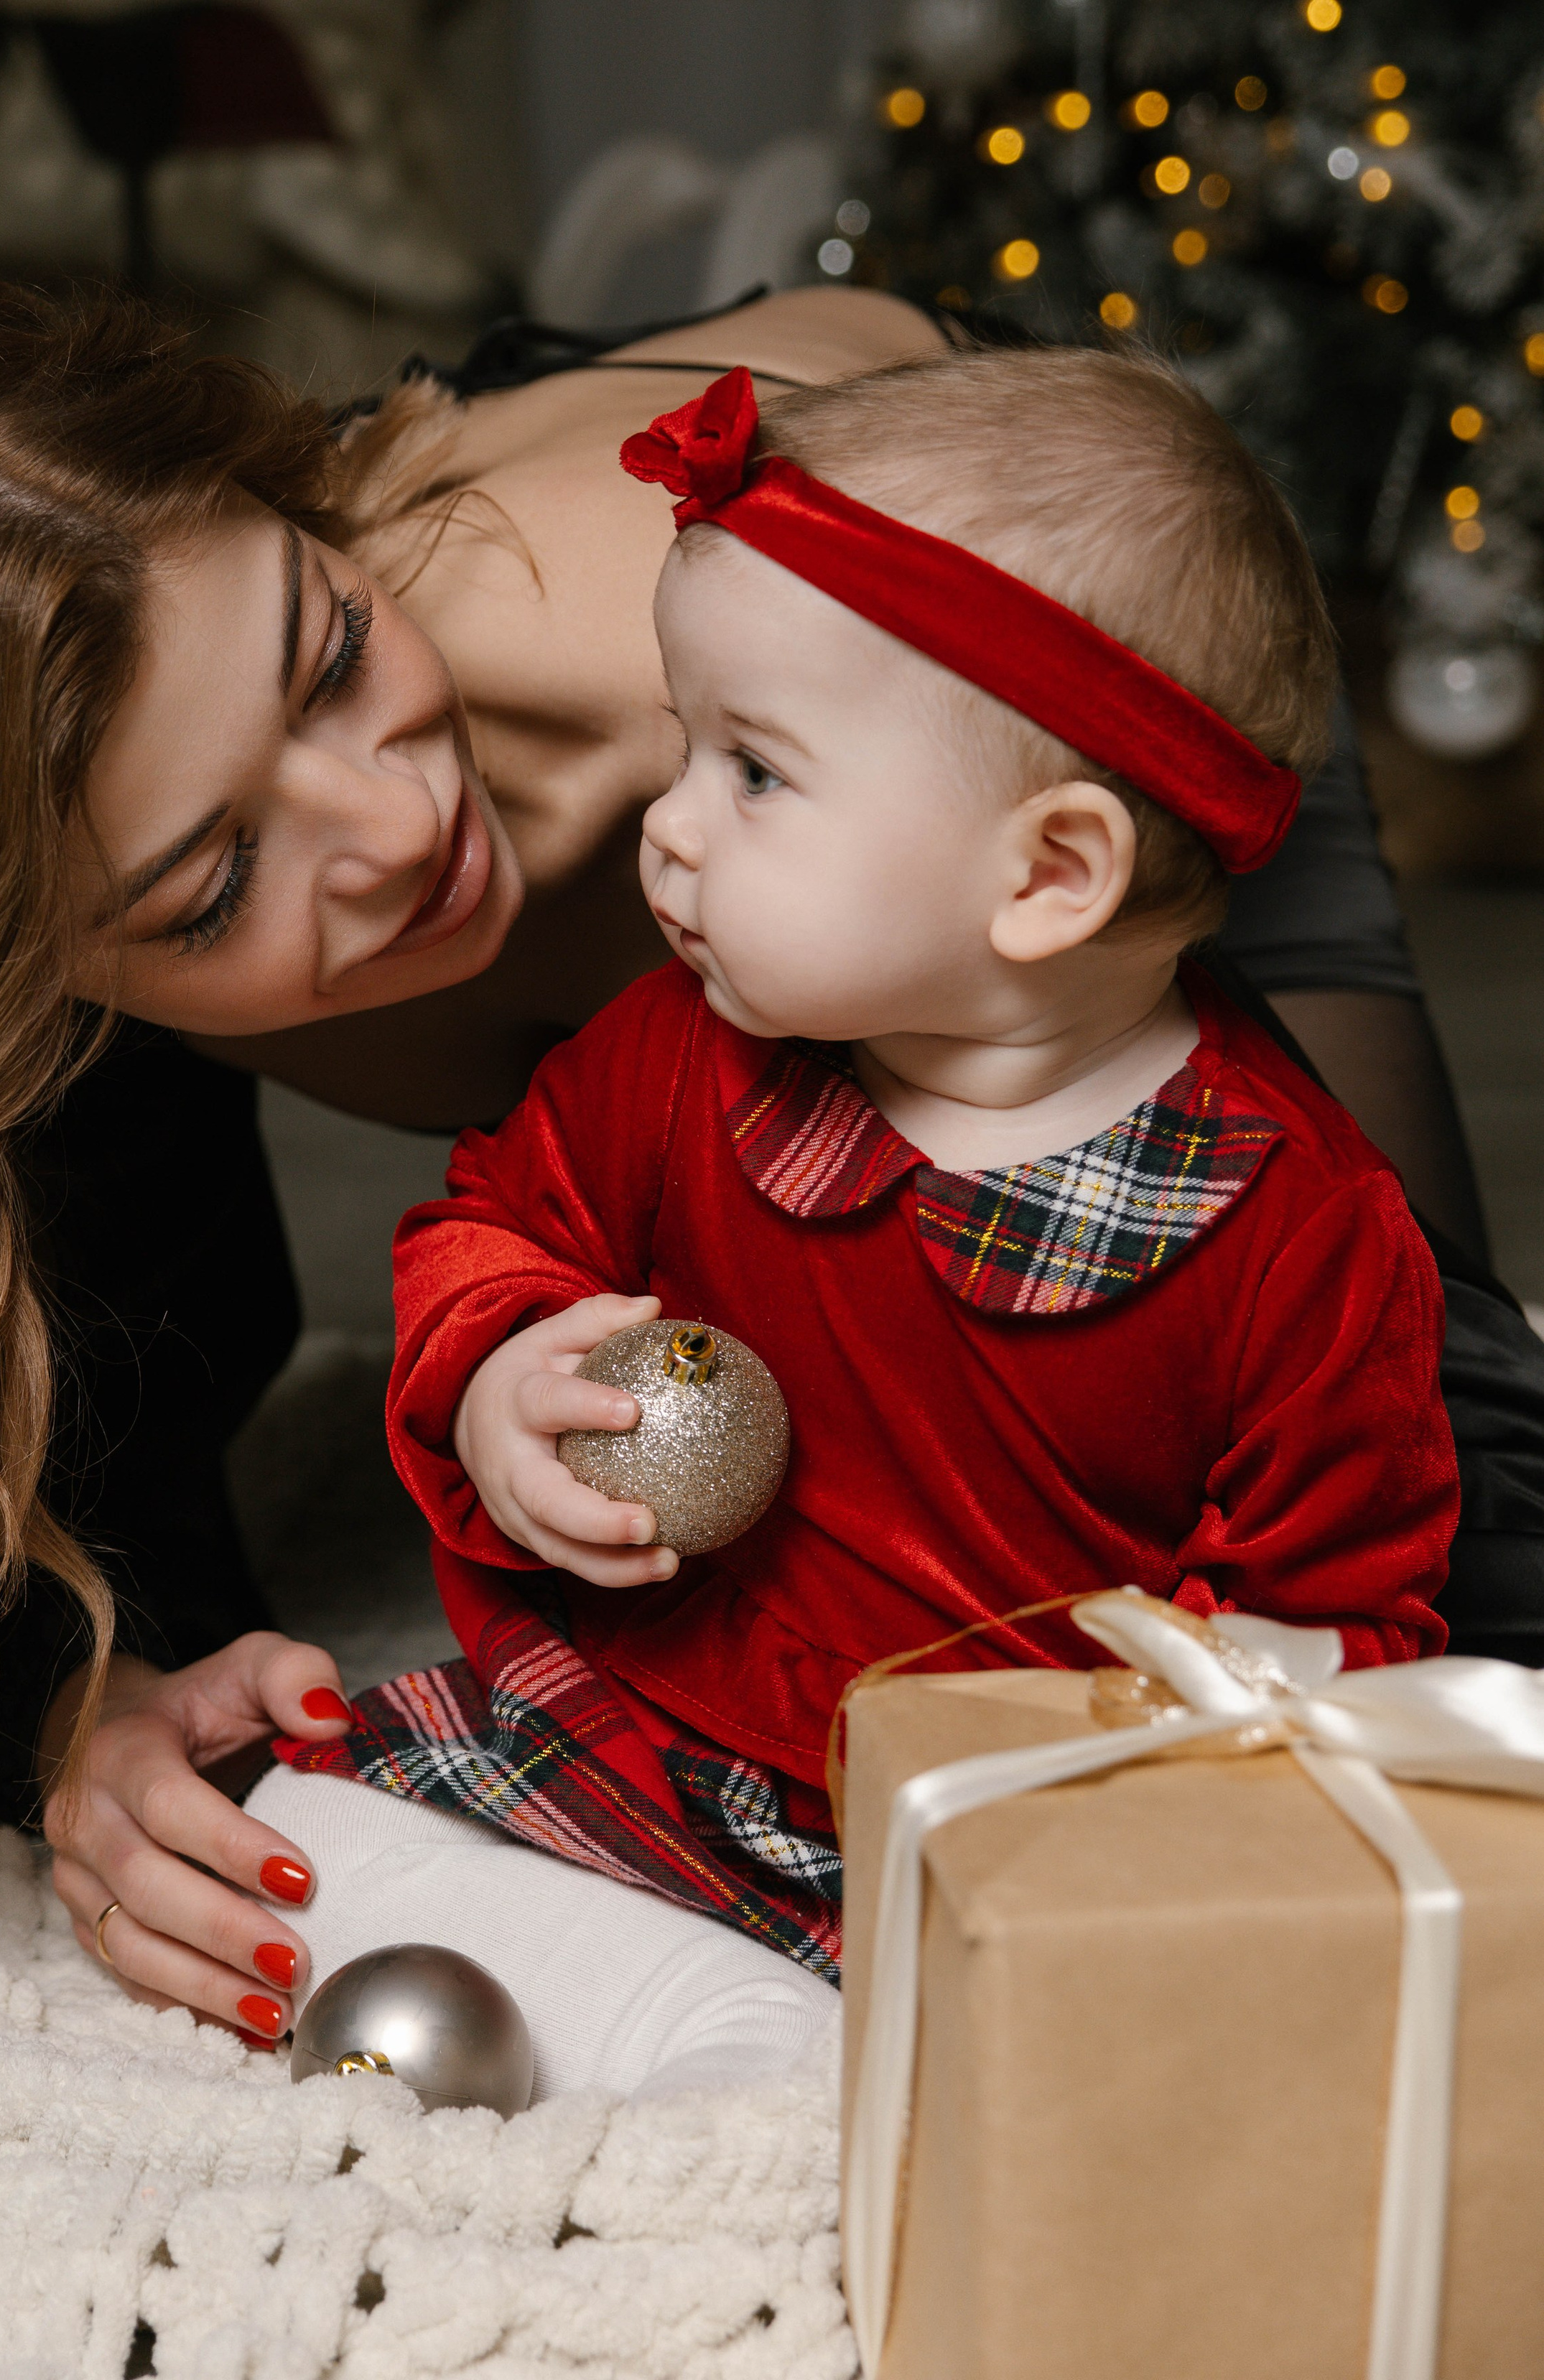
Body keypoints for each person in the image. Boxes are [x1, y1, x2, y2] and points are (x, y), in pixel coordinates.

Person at [0, 276, 1530, 2061]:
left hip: (1071, 609)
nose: (397, 820)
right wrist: (92, 1719)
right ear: (16, 995)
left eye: (330, 656)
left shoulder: (784, 656)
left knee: (1473, 1501)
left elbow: (1363, 1559)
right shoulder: (66, 1001)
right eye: (214, 885)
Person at [233, 352, 1455, 2087]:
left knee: (1166, 2018)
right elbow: (497, 1214)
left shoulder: (1291, 1231)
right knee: (298, 1820)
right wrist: (504, 1374)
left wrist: (1170, 1770)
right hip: (660, 1718)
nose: (665, 828)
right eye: (687, 745)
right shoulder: (679, 1060)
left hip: (991, 1827)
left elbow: (1336, 1616)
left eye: (754, 773)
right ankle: (691, 1998)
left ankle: (769, 2046)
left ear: (1047, 875)